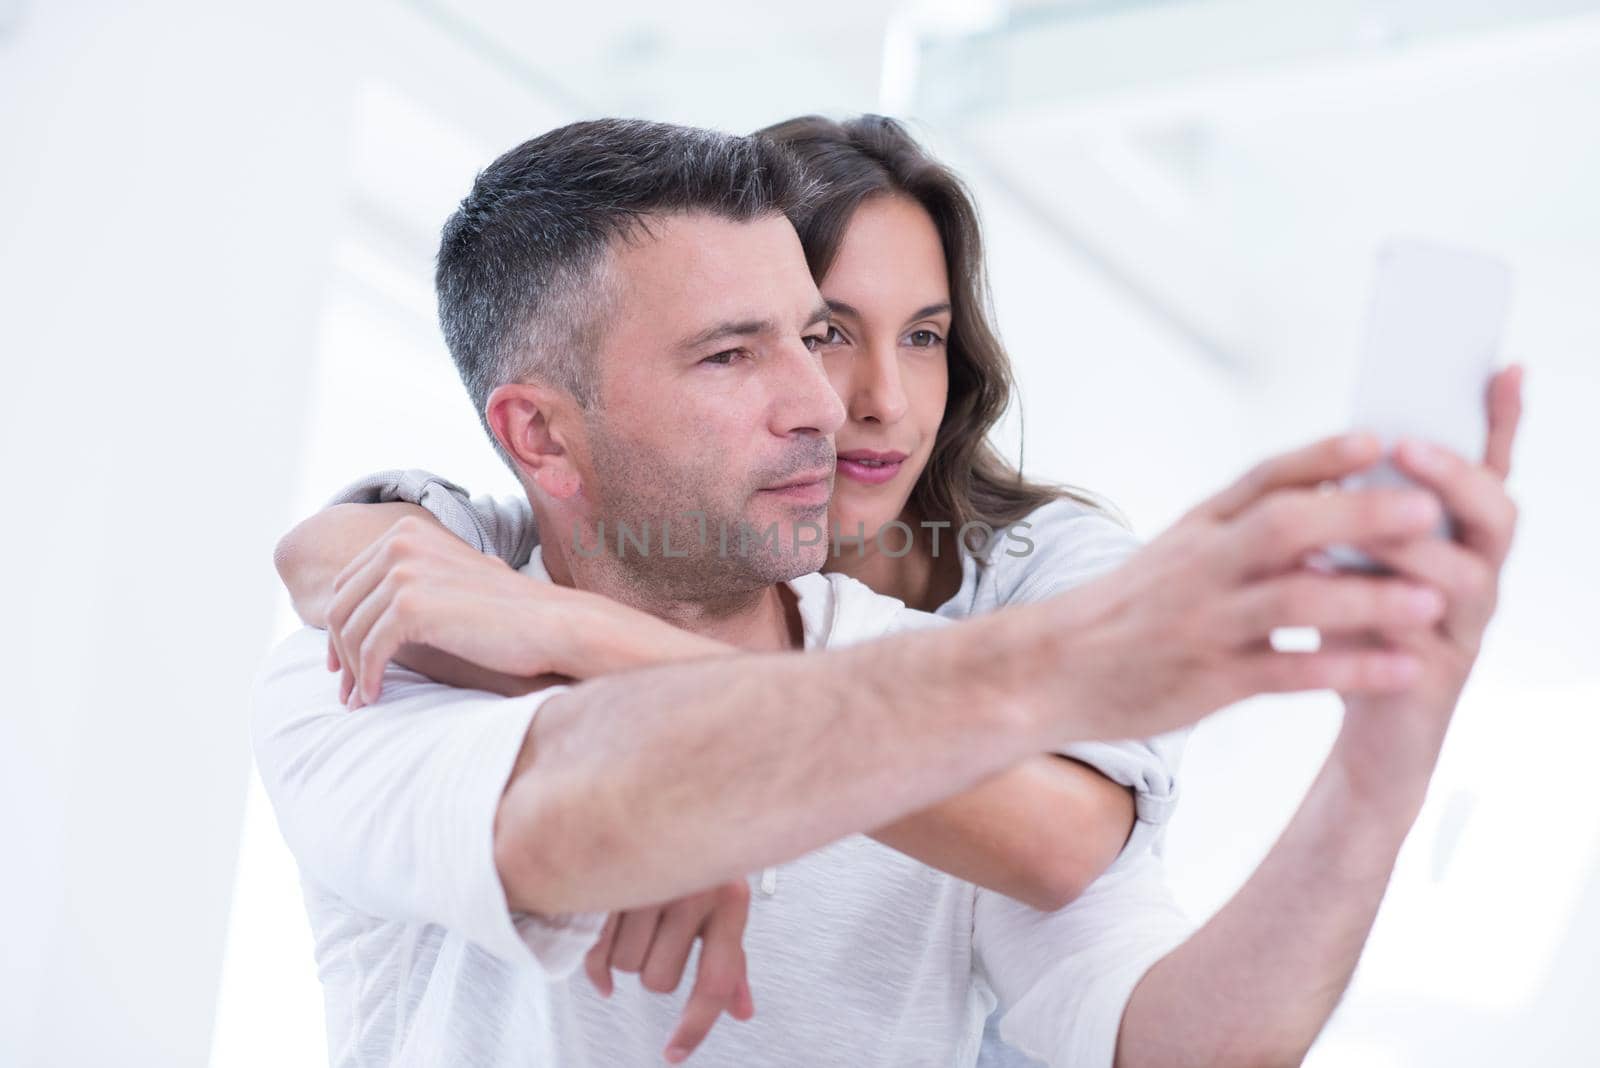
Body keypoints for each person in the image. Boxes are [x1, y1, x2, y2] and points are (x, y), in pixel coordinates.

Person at [254, 118, 1522, 1066]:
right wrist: (1072, 663)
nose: (833, 404)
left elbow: (1180, 1040)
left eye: (811, 333)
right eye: (734, 353)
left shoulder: (927, 664)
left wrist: (1381, 763)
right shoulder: (382, 651)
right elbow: (568, 818)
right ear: (540, 437)